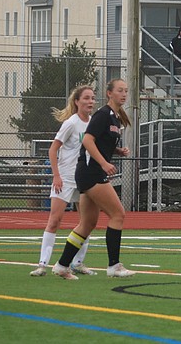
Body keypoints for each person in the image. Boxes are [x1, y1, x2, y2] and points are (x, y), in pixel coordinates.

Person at [52, 78, 135, 279]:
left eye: (126, 91)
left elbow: (99, 142)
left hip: (88, 172)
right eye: (120, 90)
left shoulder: (115, 118)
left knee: (87, 223)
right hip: (92, 173)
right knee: (118, 214)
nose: (124, 94)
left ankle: (62, 265)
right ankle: (114, 266)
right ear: (109, 93)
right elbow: (88, 141)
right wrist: (104, 164)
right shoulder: (103, 115)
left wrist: (116, 151)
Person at [30, 86, 97, 277]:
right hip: (66, 178)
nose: (90, 101)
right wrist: (57, 176)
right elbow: (53, 149)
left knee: (86, 222)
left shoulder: (92, 123)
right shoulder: (71, 123)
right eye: (86, 98)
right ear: (77, 102)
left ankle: (77, 263)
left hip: (83, 178)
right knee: (55, 220)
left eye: (92, 98)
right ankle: (42, 264)